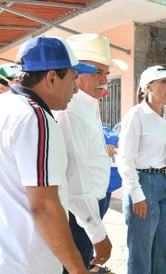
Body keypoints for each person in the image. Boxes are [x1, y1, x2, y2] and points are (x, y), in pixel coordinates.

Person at [0, 35, 97, 274]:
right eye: (73, 79)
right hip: (28, 263)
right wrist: (78, 270)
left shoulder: (5, 106)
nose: (75, 89)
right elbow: (44, 206)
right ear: (52, 78)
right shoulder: (36, 120)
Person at [53, 33, 127, 274]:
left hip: (90, 207)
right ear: (77, 72)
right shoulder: (70, 111)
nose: (104, 80)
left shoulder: (86, 104)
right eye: (97, 72)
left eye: (106, 74)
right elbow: (74, 181)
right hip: (78, 215)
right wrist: (97, 232)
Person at [116, 65, 166, 274]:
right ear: (147, 87)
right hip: (144, 183)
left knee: (164, 248)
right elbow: (124, 159)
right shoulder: (136, 115)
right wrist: (136, 194)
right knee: (141, 250)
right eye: (163, 82)